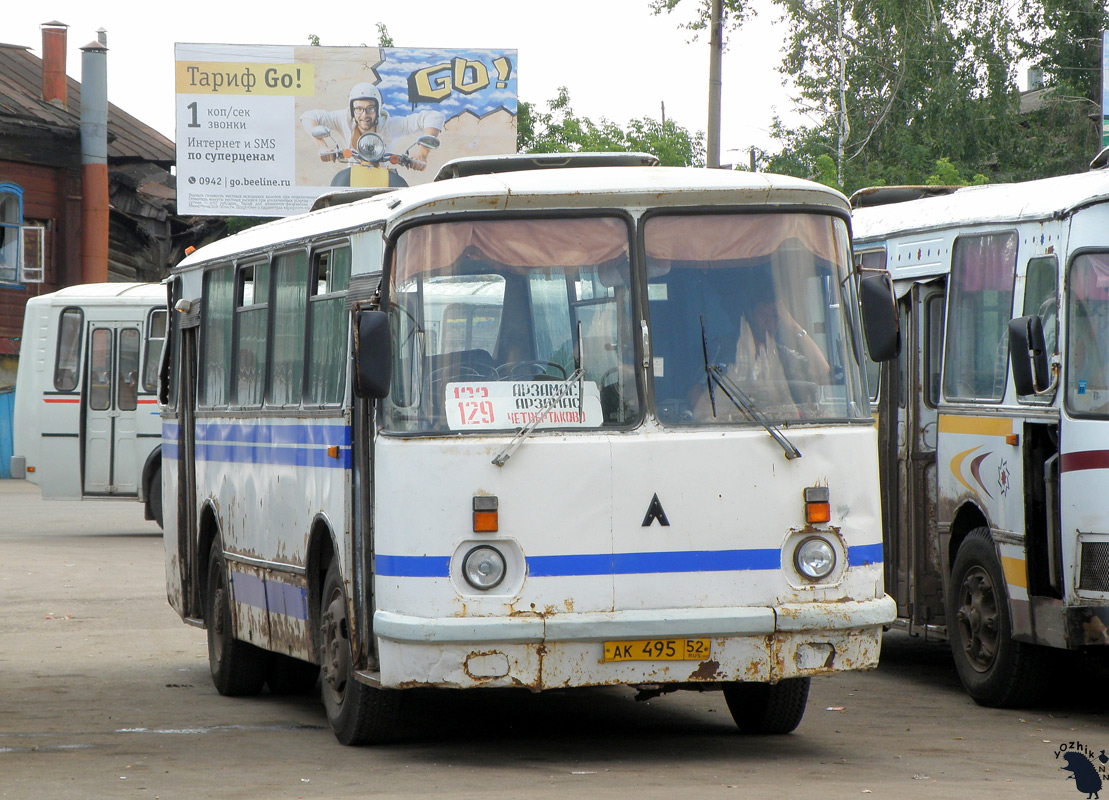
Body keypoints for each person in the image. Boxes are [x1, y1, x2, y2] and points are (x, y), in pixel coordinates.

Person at [692, 283, 831, 419]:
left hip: (776, 433)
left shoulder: (782, 354)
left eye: (775, 317)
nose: (770, 323)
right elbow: (695, 391)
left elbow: (822, 368)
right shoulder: (724, 349)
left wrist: (793, 325)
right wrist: (712, 416)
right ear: (750, 314)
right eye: (764, 315)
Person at [300, 82, 444, 177]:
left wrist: (422, 154)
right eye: (358, 109)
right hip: (353, 176)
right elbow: (308, 116)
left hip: (386, 177)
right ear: (352, 110)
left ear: (378, 109)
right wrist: (322, 146)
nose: (364, 115)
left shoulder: (391, 125)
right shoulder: (343, 119)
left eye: (370, 109)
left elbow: (434, 116)